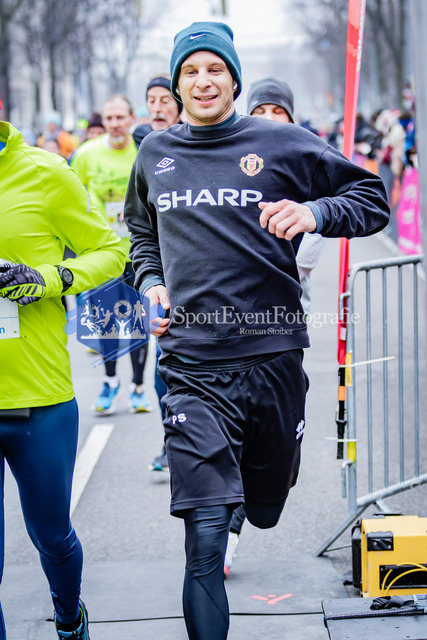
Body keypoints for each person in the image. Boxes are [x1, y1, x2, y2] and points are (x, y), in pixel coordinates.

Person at [124, 22, 390, 639]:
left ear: (234, 79)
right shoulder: (156, 154)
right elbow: (141, 233)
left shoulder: (281, 141)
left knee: (265, 508)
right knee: (205, 540)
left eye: (214, 69)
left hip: (273, 359)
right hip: (191, 365)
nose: (202, 81)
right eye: (190, 71)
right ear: (177, 85)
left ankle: (254, 491)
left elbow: (371, 196)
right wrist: (150, 281)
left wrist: (315, 211)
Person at [0, 115, 126, 640]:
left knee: (52, 537)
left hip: (39, 397)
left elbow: (113, 251)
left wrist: (48, 278)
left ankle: (70, 618)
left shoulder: (43, 172)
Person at [71, 94, 152, 415]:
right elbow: (72, 197)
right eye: (109, 118)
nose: (115, 124)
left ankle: (138, 388)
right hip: (103, 253)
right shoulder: (87, 154)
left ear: (132, 119)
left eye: (121, 117)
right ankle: (110, 383)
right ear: (103, 121)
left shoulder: (143, 150)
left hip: (139, 252)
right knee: (106, 323)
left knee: (138, 322)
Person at [132, 75, 184, 471]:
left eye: (165, 99)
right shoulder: (146, 148)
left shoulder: (195, 147)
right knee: (161, 371)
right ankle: (173, 443)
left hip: (200, 280)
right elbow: (141, 225)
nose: (157, 107)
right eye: (151, 100)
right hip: (157, 278)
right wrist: (150, 278)